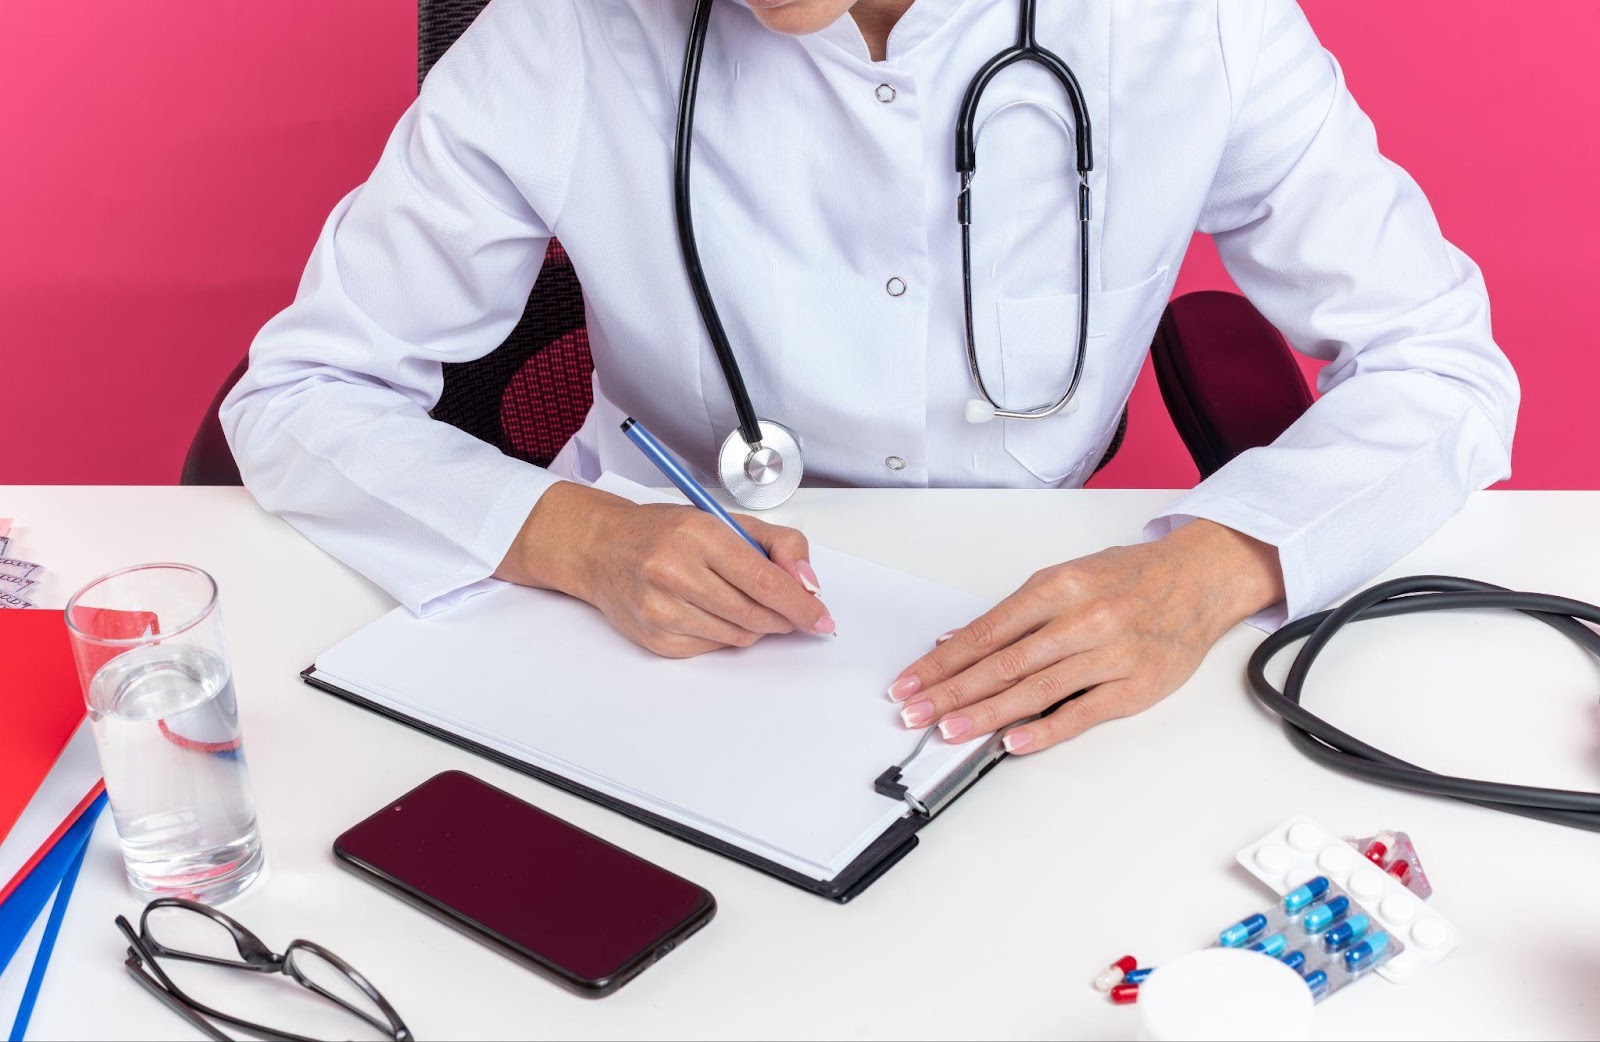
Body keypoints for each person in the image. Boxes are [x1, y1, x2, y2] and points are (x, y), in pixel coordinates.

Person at [222, 0, 1517, 757]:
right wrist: (580, 538)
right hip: (648, 626)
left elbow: (1441, 362)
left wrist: (1214, 565)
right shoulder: (558, 30)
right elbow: (297, 396)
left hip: (1066, 614)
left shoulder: (1188, 22)